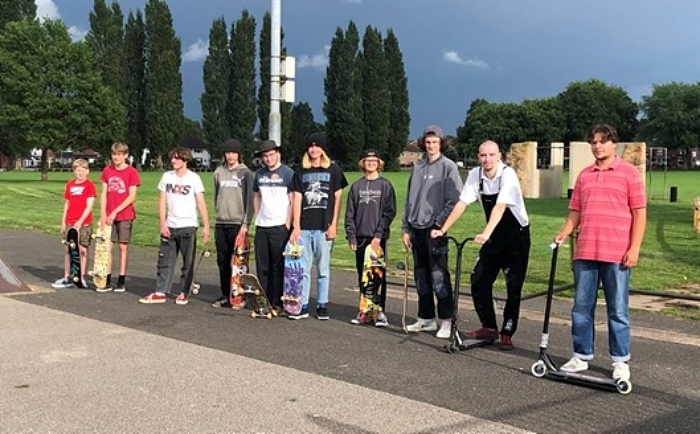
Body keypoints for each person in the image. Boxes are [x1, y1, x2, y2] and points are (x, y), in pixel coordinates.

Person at [554, 123, 646, 382]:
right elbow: (576, 211)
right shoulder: (584, 175)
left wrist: (634, 248)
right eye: (593, 142)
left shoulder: (629, 173)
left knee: (617, 309)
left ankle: (620, 360)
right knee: (581, 307)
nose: (597, 146)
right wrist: (564, 232)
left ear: (613, 143)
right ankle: (581, 355)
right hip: (586, 251)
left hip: (617, 253)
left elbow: (640, 212)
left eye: (602, 142)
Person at [431, 140, 530, 350]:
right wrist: (442, 228)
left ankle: (507, 331)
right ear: (478, 157)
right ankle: (489, 327)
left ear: (499, 156)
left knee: (513, 286)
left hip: (516, 239)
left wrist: (485, 233)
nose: (487, 160)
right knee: (479, 280)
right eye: (483, 155)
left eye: (491, 155)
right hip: (493, 237)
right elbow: (462, 203)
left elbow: (500, 207)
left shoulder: (507, 175)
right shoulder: (476, 174)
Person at [402, 125, 463, 338]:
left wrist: (439, 223)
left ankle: (447, 319)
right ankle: (426, 318)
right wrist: (405, 228)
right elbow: (409, 201)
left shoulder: (449, 167)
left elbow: (454, 200)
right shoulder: (417, 168)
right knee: (421, 277)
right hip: (416, 228)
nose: (431, 146)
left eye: (435, 142)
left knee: (439, 276)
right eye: (428, 142)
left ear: (441, 143)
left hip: (435, 230)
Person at [139, 146, 210, 305]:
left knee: (188, 262)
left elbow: (201, 202)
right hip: (170, 225)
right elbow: (162, 201)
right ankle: (160, 291)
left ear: (185, 159)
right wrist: (163, 223)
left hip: (188, 226)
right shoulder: (166, 177)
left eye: (177, 158)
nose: (173, 161)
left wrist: (206, 226)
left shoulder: (194, 179)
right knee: (164, 260)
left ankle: (184, 292)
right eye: (172, 158)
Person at [289, 132, 348, 320]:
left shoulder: (334, 170)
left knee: (323, 270)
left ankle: (322, 304)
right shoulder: (300, 172)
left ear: (323, 149)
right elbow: (297, 199)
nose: (314, 149)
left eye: (317, 146)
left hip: (324, 227)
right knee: (303, 269)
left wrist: (334, 225)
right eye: (311, 146)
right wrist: (296, 226)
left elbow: (338, 198)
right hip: (305, 227)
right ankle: (303, 304)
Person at [345, 149, 397, 327]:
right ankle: (364, 311)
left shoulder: (385, 185)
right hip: (360, 238)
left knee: (377, 276)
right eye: (367, 160)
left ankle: (379, 312)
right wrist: (351, 236)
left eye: (374, 160)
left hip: (377, 239)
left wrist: (378, 236)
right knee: (363, 276)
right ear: (363, 163)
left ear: (379, 163)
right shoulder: (356, 186)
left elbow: (389, 212)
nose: (371, 163)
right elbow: (350, 214)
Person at [252, 139, 294, 314]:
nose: (268, 159)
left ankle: (277, 301)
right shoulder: (260, 174)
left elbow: (292, 199)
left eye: (271, 155)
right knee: (263, 265)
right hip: (262, 225)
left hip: (279, 225)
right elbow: (256, 196)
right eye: (265, 156)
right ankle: (264, 300)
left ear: (278, 153)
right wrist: (257, 215)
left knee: (278, 265)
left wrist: (287, 223)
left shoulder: (288, 173)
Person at [211, 138, 254, 309]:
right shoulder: (218, 172)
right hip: (221, 222)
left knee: (239, 262)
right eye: (228, 152)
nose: (231, 156)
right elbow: (216, 196)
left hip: (238, 223)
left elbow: (249, 200)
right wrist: (218, 214)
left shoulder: (245, 173)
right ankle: (225, 294)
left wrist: (246, 223)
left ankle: (240, 295)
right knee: (222, 261)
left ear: (239, 155)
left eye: (234, 153)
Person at [98, 141, 141, 293]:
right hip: (108, 214)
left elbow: (131, 196)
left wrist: (115, 211)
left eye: (119, 154)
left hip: (124, 214)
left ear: (125, 156)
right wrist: (103, 213)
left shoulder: (131, 172)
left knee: (123, 247)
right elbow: (104, 193)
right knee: (107, 247)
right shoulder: (107, 171)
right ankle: (106, 278)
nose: (116, 157)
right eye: (114, 154)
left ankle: (121, 279)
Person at [51, 159, 97, 289]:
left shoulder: (90, 185)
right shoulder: (70, 184)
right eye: (78, 170)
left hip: (84, 223)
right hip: (70, 221)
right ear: (74, 171)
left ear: (87, 171)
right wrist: (63, 221)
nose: (80, 173)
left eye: (83, 170)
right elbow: (67, 203)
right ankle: (67, 276)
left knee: (82, 249)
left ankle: (81, 276)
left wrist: (80, 221)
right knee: (68, 249)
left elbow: (89, 206)